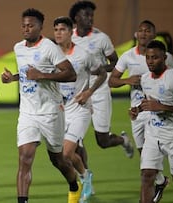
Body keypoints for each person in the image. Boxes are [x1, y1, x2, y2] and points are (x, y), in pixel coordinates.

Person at [2, 8, 81, 203]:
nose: (26, 29)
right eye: (24, 25)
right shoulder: (18, 48)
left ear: (40, 27)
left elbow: (71, 74)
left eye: (31, 25)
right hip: (28, 113)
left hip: (51, 112)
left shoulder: (49, 48)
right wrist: (12, 78)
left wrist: (43, 75)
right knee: (25, 158)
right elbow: (26, 73)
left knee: (58, 160)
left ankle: (74, 183)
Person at [108, 20, 173, 202]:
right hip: (137, 112)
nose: (144, 33)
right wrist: (127, 81)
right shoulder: (128, 57)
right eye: (140, 30)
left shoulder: (165, 57)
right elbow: (111, 81)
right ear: (136, 34)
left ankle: (151, 190)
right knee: (143, 153)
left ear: (154, 35)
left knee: (149, 161)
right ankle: (161, 181)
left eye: (148, 31)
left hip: (158, 111)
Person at [69, 1, 134, 158]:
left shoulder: (101, 38)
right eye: (86, 15)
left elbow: (114, 62)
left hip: (99, 92)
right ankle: (85, 178)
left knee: (103, 141)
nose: (90, 18)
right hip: (77, 93)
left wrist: (100, 70)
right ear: (77, 17)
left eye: (92, 15)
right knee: (75, 139)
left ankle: (122, 140)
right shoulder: (68, 37)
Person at [53, 16, 107, 202]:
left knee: (67, 153)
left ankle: (84, 177)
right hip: (60, 111)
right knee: (62, 155)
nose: (58, 33)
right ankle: (87, 175)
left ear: (71, 32)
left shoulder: (83, 54)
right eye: (56, 30)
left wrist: (89, 92)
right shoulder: (52, 54)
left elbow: (101, 73)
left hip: (80, 109)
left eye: (62, 30)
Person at [130, 40, 173, 203]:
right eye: (147, 57)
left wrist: (162, 106)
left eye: (154, 57)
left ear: (164, 57)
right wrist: (138, 109)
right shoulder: (145, 79)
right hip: (153, 135)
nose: (150, 61)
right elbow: (149, 102)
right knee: (147, 175)